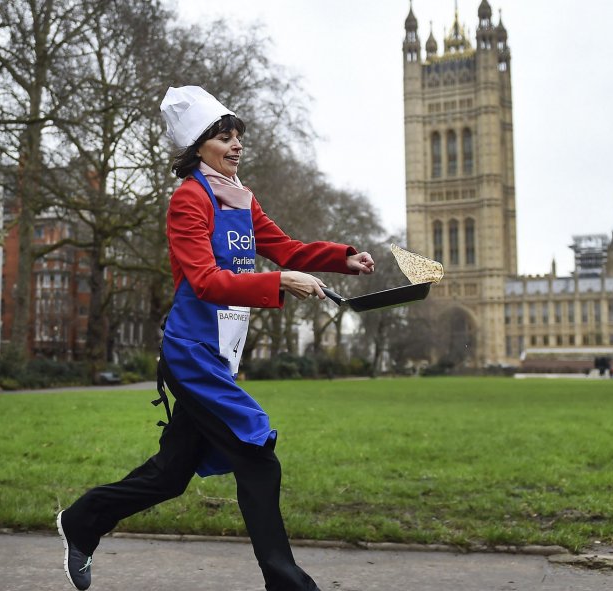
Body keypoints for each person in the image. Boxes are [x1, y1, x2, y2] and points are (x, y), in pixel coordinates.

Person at [55, 85, 375, 591]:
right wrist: (279, 282)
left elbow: (285, 247)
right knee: (256, 452)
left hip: (219, 357)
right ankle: (289, 583)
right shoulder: (189, 201)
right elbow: (204, 281)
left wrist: (343, 258)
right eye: (225, 137)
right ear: (199, 146)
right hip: (191, 353)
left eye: (237, 137)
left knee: (169, 475)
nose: (235, 144)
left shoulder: (241, 198)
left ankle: (82, 520)